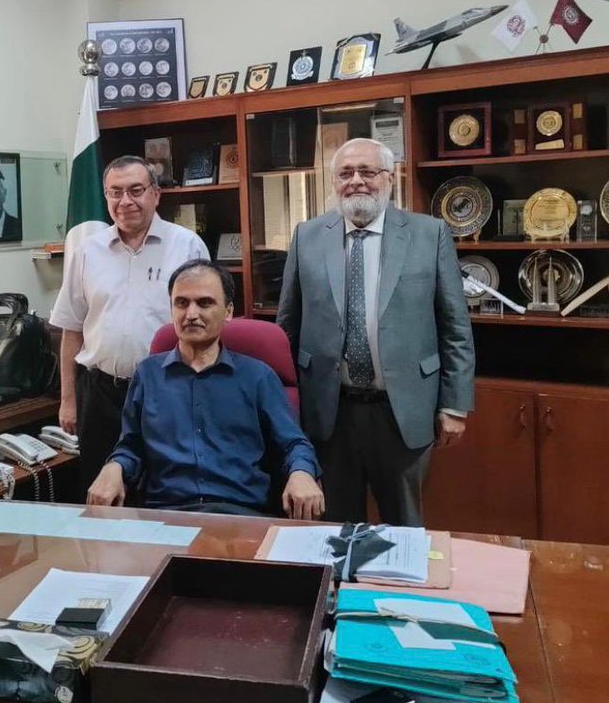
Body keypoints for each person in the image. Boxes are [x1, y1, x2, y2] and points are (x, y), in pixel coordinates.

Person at [276, 138, 474, 526]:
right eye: (346, 173)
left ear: (388, 178)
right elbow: (287, 326)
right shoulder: (307, 236)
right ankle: (337, 588)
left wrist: (454, 404)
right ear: (334, 182)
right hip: (330, 412)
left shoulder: (428, 233)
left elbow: (455, 325)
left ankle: (398, 589)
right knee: (334, 526)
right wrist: (287, 407)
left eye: (367, 172)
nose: (357, 182)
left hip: (402, 410)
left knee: (404, 526)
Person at [87, 260, 325, 519]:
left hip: (241, 518)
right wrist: (114, 466)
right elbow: (131, 446)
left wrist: (301, 472)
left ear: (228, 311)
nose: (191, 314)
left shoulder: (257, 377)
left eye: (204, 303)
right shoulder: (148, 375)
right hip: (165, 517)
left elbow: (294, 444)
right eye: (181, 303)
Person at [50, 155, 208, 499]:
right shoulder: (88, 251)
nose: (125, 201)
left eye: (136, 190)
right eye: (115, 193)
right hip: (101, 394)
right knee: (101, 491)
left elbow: (208, 327)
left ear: (156, 194)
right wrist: (68, 401)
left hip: (169, 391)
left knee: (165, 489)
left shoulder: (187, 246)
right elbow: (71, 328)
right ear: (106, 198)